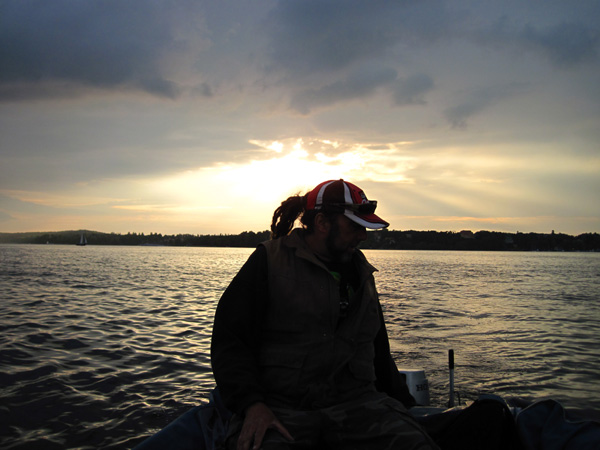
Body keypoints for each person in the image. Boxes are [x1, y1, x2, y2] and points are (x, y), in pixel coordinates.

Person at [211, 179, 439, 450]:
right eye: (355, 225)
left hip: (359, 407)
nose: (363, 235)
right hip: (281, 410)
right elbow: (229, 342)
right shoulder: (268, 261)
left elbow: (378, 351)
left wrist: (404, 408)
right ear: (322, 223)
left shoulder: (363, 273)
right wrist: (252, 405)